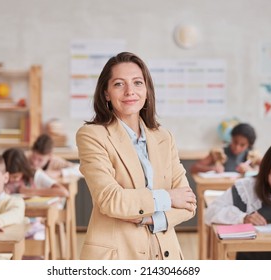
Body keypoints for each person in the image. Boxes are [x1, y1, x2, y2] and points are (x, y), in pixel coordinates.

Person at [76, 52, 197, 260]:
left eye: (137, 83)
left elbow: (187, 203)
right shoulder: (92, 135)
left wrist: (149, 219)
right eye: (119, 84)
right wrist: (168, 197)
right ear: (106, 93)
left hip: (166, 254)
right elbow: (110, 200)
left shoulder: (164, 137)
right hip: (117, 256)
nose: (130, 91)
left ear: (147, 90)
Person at [190, 123, 262, 175]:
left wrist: (252, 171)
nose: (237, 147)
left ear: (249, 145)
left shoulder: (253, 156)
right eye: (235, 142)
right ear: (231, 138)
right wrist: (212, 168)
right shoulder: (219, 153)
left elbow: (269, 171)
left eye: (242, 145)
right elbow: (194, 168)